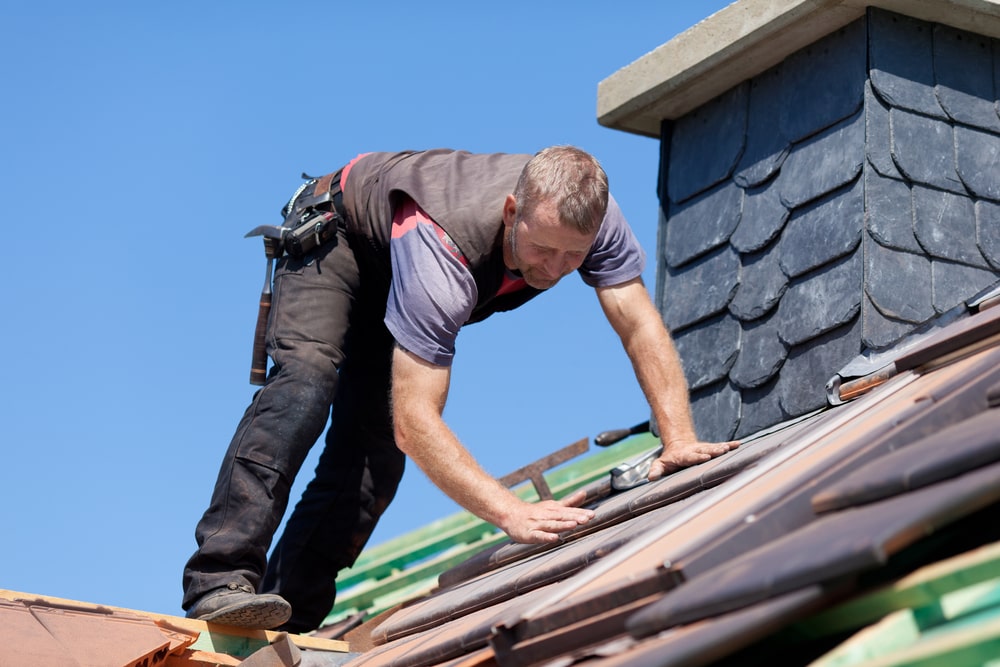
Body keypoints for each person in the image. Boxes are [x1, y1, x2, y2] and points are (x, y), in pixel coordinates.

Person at [181, 146, 739, 633]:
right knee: (307, 382)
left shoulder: (594, 220)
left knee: (373, 458)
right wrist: (510, 513)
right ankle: (221, 579)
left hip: (401, 280)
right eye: (544, 249)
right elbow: (417, 421)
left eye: (575, 255)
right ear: (512, 211)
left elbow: (639, 323)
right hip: (344, 241)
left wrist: (679, 439)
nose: (558, 268)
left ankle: (291, 622)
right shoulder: (443, 246)